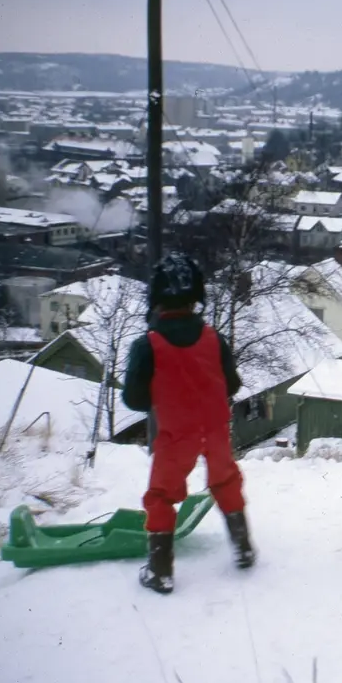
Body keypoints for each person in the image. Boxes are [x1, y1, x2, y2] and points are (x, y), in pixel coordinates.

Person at [122, 252, 256, 595]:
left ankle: (161, 570)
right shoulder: (214, 337)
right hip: (214, 428)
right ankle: (243, 548)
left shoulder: (147, 345)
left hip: (174, 433)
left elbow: (134, 400)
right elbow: (234, 385)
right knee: (225, 481)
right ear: (197, 295)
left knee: (161, 496)